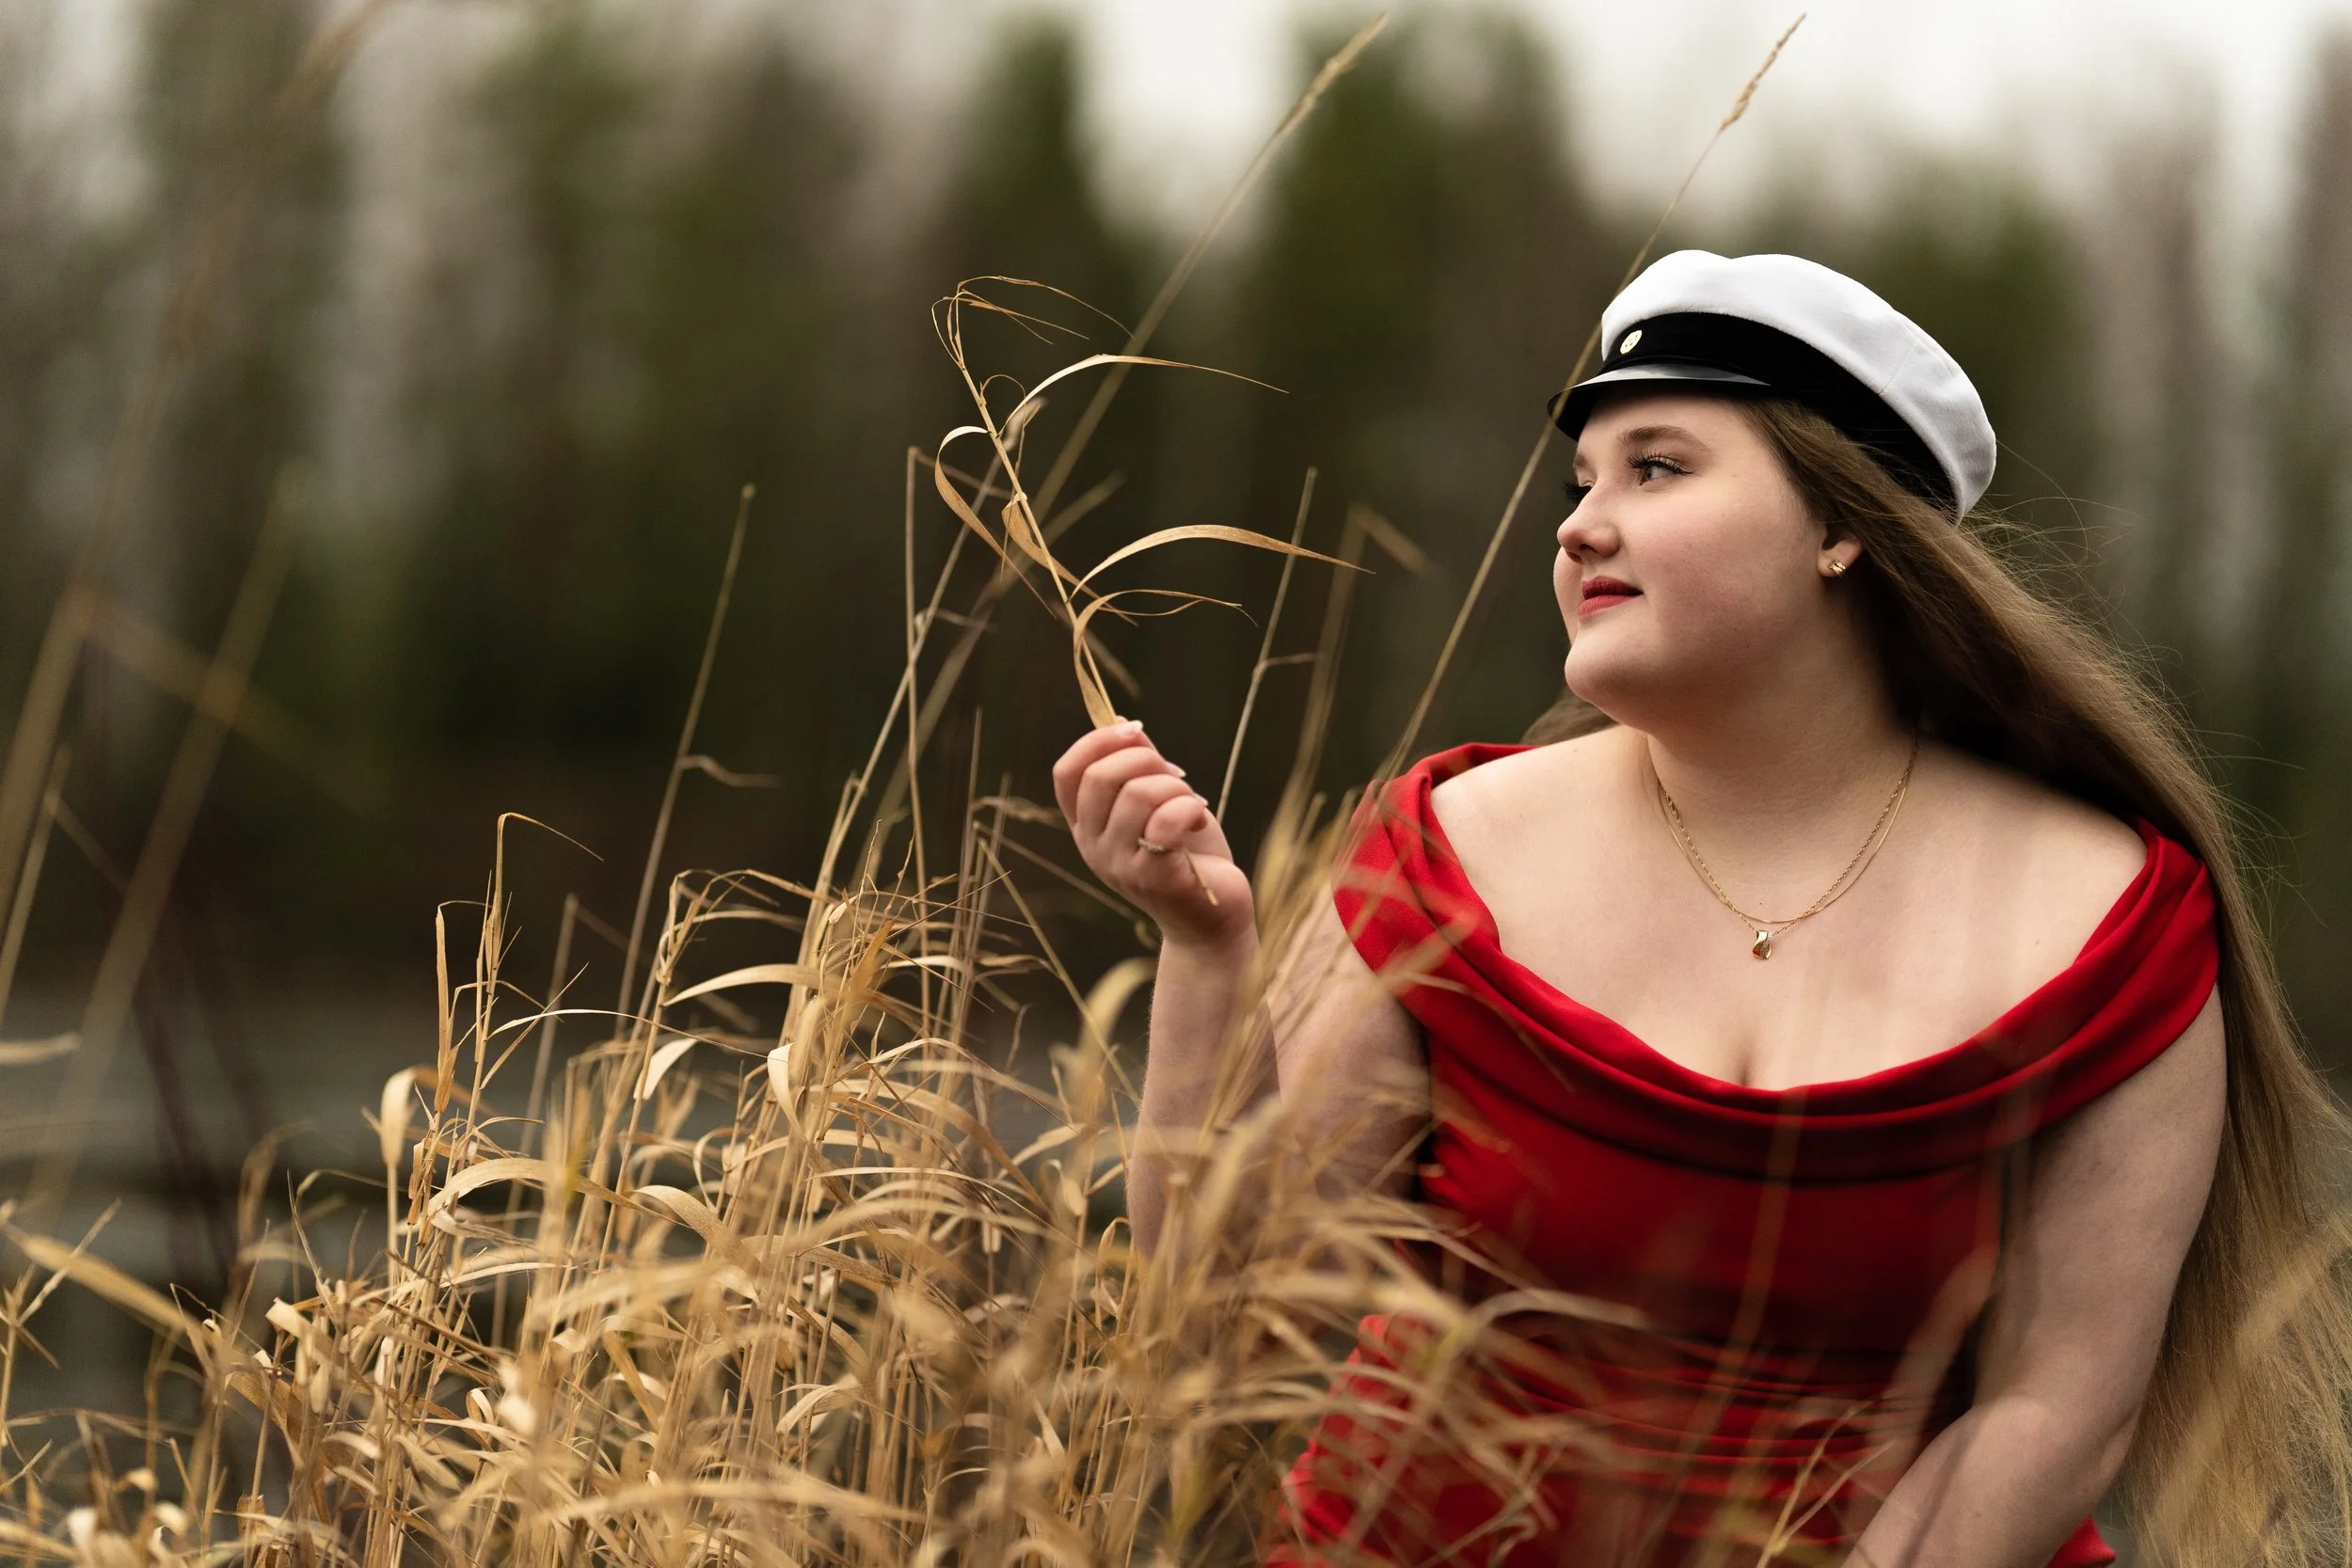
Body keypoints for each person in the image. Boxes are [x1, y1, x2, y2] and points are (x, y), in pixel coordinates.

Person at [1051, 251, 2352, 1568]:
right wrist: (1206, 948)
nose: (1579, 524)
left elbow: (2057, 1407)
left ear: (1842, 527)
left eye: (1656, 468)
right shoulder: (1438, 852)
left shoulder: (2112, 919)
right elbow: (1229, 1324)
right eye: (1582, 483)